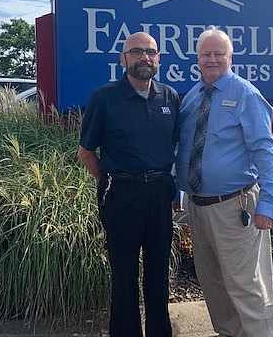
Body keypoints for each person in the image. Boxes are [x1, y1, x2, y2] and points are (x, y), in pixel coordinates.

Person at [175, 26, 273, 337]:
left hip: (235, 207)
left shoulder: (246, 94)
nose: (212, 59)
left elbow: (265, 149)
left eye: (218, 54)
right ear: (197, 58)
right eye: (206, 54)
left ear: (230, 57)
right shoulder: (192, 97)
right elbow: (184, 149)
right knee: (213, 285)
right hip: (198, 207)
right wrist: (178, 190)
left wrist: (268, 204)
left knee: (245, 286)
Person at [78, 31, 180, 337]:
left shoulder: (170, 97)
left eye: (151, 52)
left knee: (158, 271)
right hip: (121, 195)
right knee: (123, 274)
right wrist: (113, 179)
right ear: (123, 59)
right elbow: (86, 153)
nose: (144, 57)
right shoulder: (104, 98)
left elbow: (173, 146)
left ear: (158, 59)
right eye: (136, 52)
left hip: (160, 193)